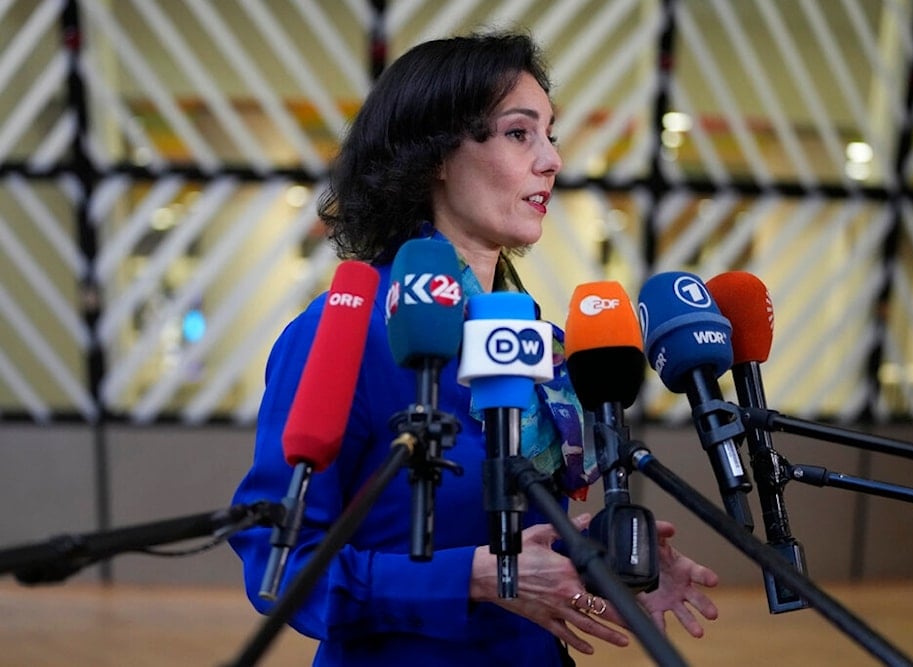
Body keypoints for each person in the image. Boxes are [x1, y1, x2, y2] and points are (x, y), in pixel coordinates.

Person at [229, 30, 719, 666]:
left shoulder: (538, 343)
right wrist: (468, 580)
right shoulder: (345, 332)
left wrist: (599, 551)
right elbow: (278, 563)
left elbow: (504, 537)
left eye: (551, 134)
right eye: (520, 133)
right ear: (434, 152)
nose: (551, 161)